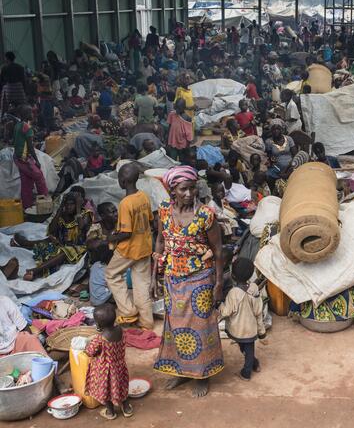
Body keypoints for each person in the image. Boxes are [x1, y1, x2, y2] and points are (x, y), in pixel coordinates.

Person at [153, 166, 224, 398]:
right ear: (173, 190)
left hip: (200, 278)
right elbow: (160, 242)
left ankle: (203, 374)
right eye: (184, 189)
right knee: (176, 327)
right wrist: (155, 274)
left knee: (201, 326)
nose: (189, 193)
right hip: (173, 279)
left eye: (192, 188)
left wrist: (218, 284)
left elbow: (218, 250)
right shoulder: (164, 211)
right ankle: (182, 371)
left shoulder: (205, 214)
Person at [105, 164, 154, 330]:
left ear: (123, 181)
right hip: (145, 247)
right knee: (141, 285)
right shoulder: (144, 196)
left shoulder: (125, 203)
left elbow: (126, 233)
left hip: (129, 250)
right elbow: (150, 220)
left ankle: (128, 311)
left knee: (111, 274)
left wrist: (111, 237)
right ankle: (147, 322)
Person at [12, 191, 90, 281]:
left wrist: (78, 210)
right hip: (62, 245)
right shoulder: (64, 214)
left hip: (78, 248)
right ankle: (23, 244)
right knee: (48, 243)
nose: (69, 207)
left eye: (72, 204)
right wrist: (60, 209)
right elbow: (52, 230)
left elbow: (82, 228)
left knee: (65, 251)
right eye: (67, 204)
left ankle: (36, 271)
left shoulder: (85, 214)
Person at [217, 258, 266, 381]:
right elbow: (258, 312)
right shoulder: (254, 290)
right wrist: (261, 331)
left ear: (233, 276)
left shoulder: (233, 293)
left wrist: (219, 304)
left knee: (244, 348)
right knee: (248, 348)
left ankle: (246, 373)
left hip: (238, 329)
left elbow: (227, 312)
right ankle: (254, 363)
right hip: (251, 328)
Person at [85, 304, 132, 420]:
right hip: (119, 367)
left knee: (106, 391)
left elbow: (90, 352)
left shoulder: (99, 339)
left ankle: (110, 412)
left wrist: (86, 345)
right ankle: (126, 409)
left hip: (104, 371)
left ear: (98, 324)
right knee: (121, 387)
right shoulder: (120, 330)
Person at [13, 105, 48, 208]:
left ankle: (27, 205)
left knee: (26, 182)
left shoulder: (18, 125)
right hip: (24, 159)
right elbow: (30, 147)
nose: (33, 114)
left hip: (17, 157)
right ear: (26, 115)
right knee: (39, 176)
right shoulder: (27, 128)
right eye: (31, 113)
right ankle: (45, 201)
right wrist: (36, 161)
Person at [87, 202, 118, 306]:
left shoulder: (121, 224)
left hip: (119, 262)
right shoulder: (96, 227)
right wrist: (110, 241)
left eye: (116, 211)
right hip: (102, 263)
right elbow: (91, 245)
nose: (116, 214)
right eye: (112, 212)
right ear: (102, 215)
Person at [265, 119, 296, 186]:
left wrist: (288, 170)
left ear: (281, 129)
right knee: (267, 175)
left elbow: (295, 155)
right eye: (273, 129)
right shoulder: (268, 142)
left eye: (278, 129)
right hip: (277, 168)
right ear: (271, 131)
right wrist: (279, 171)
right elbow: (270, 158)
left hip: (291, 166)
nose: (276, 131)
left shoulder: (289, 139)